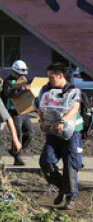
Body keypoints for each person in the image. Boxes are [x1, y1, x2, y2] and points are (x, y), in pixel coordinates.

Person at [34, 62, 84, 210]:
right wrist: (42, 120)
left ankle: (70, 198)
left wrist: (63, 120)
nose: (49, 80)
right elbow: (40, 105)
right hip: (52, 132)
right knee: (45, 161)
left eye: (51, 77)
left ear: (60, 76)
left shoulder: (73, 90)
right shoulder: (46, 89)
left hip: (71, 133)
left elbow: (75, 107)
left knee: (70, 165)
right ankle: (63, 187)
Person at [1, 60, 33, 166]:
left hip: (24, 111)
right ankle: (17, 157)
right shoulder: (8, 81)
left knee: (29, 133)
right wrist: (21, 89)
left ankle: (16, 150)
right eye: (19, 73)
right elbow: (9, 93)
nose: (21, 75)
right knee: (17, 134)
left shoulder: (23, 80)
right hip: (14, 111)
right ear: (14, 71)